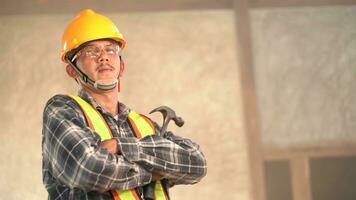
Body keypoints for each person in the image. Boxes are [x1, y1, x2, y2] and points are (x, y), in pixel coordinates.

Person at [41, 9, 207, 200]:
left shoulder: (144, 125)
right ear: (72, 71)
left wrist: (120, 146)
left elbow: (196, 162)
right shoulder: (62, 109)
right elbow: (86, 167)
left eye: (110, 49)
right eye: (90, 51)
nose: (103, 56)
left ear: (122, 66)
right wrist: (152, 171)